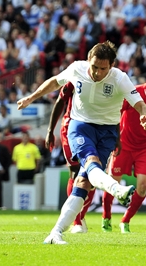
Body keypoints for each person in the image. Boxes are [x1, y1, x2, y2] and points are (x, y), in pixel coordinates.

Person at [17, 41, 146, 244]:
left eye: (103, 68)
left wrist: (145, 115)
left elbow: (140, 104)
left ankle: (56, 233)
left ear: (112, 66)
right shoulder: (77, 68)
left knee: (84, 183)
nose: (97, 72)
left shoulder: (120, 79)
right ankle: (117, 189)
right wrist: (31, 97)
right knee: (91, 163)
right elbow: (55, 82)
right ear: (89, 60)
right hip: (80, 126)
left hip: (107, 132)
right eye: (94, 66)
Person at [101, 65, 146, 233]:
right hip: (124, 144)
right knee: (113, 182)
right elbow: (117, 111)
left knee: (143, 186)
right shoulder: (134, 93)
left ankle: (125, 221)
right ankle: (106, 217)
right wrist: (114, 135)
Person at [45, 82, 96, 234]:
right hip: (71, 128)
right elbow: (60, 101)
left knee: (92, 175)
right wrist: (50, 130)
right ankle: (77, 221)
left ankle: (80, 216)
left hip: (95, 129)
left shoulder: (109, 81)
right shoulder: (75, 78)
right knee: (75, 172)